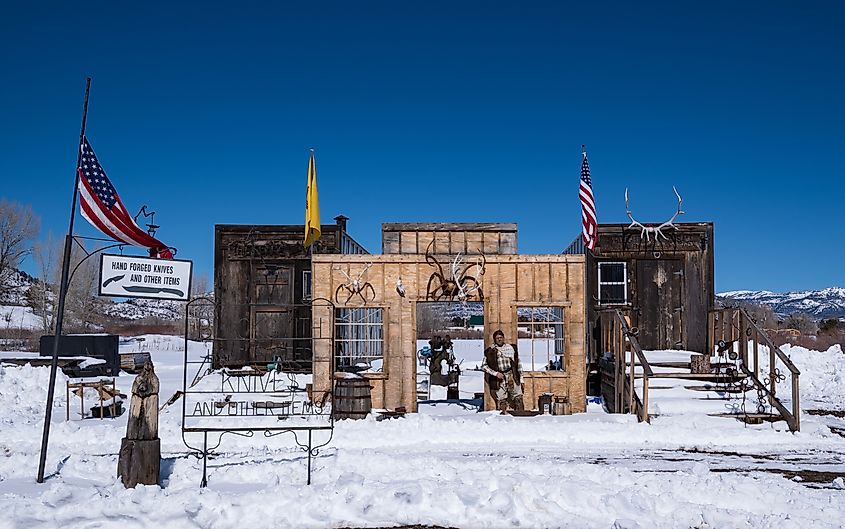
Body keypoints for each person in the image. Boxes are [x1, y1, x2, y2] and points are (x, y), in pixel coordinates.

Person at [482, 329, 524, 412]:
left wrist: (521, 378)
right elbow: (484, 366)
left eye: (501, 337)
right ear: (494, 339)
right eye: (497, 338)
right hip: (499, 378)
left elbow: (518, 364)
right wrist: (495, 373)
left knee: (518, 397)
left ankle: (520, 416)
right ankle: (502, 419)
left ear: (503, 338)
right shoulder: (490, 351)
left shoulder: (510, 349)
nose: (499, 339)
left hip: (512, 375)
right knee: (502, 400)